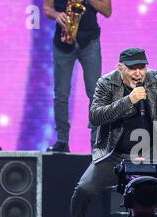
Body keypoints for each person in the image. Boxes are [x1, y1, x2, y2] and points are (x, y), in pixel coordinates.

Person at [58, 48, 157, 217]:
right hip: (114, 154)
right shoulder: (106, 83)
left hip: (152, 151)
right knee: (84, 189)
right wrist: (129, 100)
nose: (138, 73)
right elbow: (95, 116)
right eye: (132, 68)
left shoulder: (156, 78)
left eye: (142, 67)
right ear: (121, 68)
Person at [43, 0, 112, 153]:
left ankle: (96, 142)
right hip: (63, 42)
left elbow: (107, 11)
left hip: (90, 41)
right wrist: (57, 15)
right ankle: (62, 141)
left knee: (96, 94)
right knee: (61, 94)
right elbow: (47, 8)